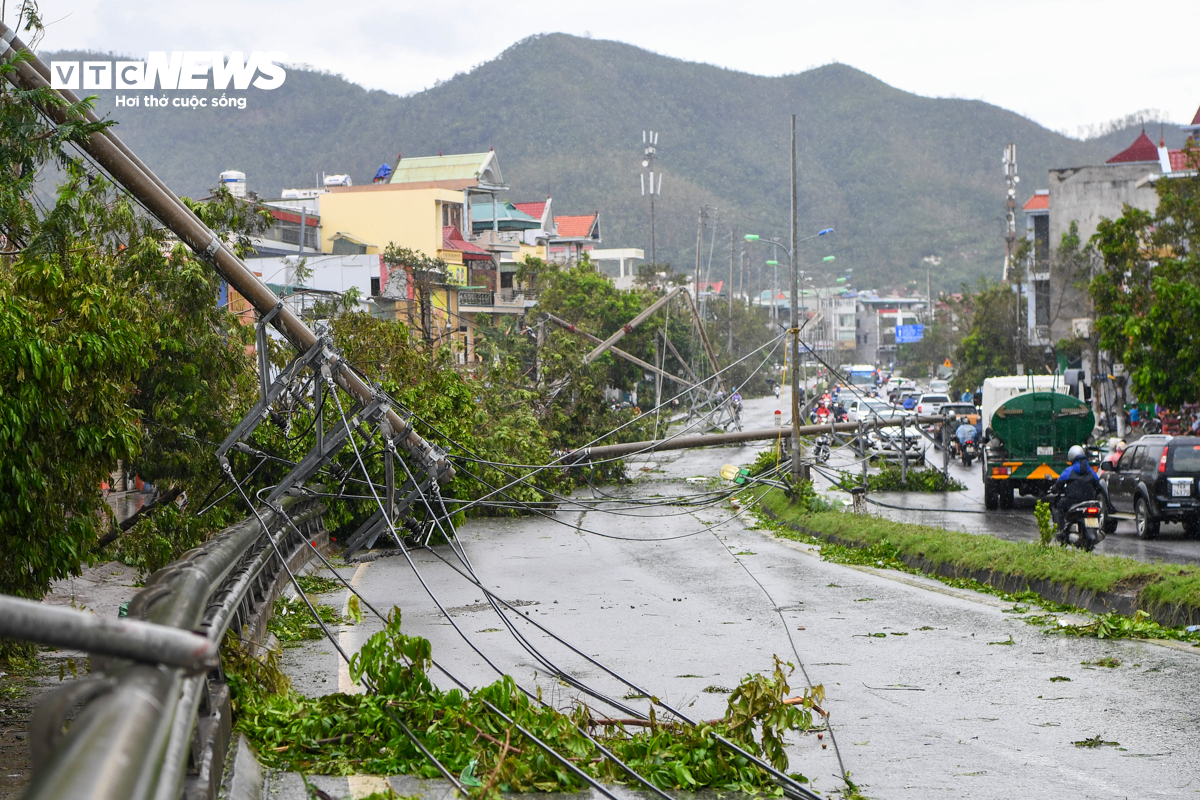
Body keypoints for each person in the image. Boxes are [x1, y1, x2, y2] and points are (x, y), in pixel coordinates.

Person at [1050, 445, 1101, 530]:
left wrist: (1054, 489)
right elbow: (1097, 484)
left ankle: (1060, 531)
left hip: (1072, 501)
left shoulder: (1069, 470)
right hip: (1089, 501)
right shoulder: (1091, 471)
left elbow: (1059, 484)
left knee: (1059, 508)